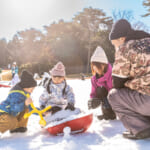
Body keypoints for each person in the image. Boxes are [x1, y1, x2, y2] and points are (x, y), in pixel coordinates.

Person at [108, 19, 150, 139]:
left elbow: (117, 82)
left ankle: (141, 128)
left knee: (114, 95)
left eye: (114, 43)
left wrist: (130, 81)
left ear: (121, 38)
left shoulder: (126, 47)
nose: (114, 46)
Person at [88, 46, 116, 120]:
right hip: (106, 101)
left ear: (103, 65)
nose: (94, 68)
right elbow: (93, 92)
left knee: (104, 90)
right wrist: (93, 100)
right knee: (99, 90)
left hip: (116, 101)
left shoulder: (113, 74)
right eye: (93, 66)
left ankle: (113, 112)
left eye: (96, 66)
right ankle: (107, 113)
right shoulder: (94, 79)